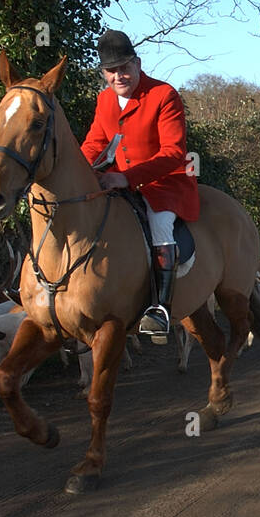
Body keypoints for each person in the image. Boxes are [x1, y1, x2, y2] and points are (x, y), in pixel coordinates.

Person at [81, 29, 200, 342]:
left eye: (124, 67)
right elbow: (95, 141)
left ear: (137, 63)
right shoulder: (105, 100)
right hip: (119, 182)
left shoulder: (164, 95)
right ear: (103, 72)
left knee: (159, 223)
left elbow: (174, 153)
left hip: (166, 183)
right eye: (111, 70)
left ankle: (159, 307)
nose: (119, 75)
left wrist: (128, 177)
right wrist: (78, 172)